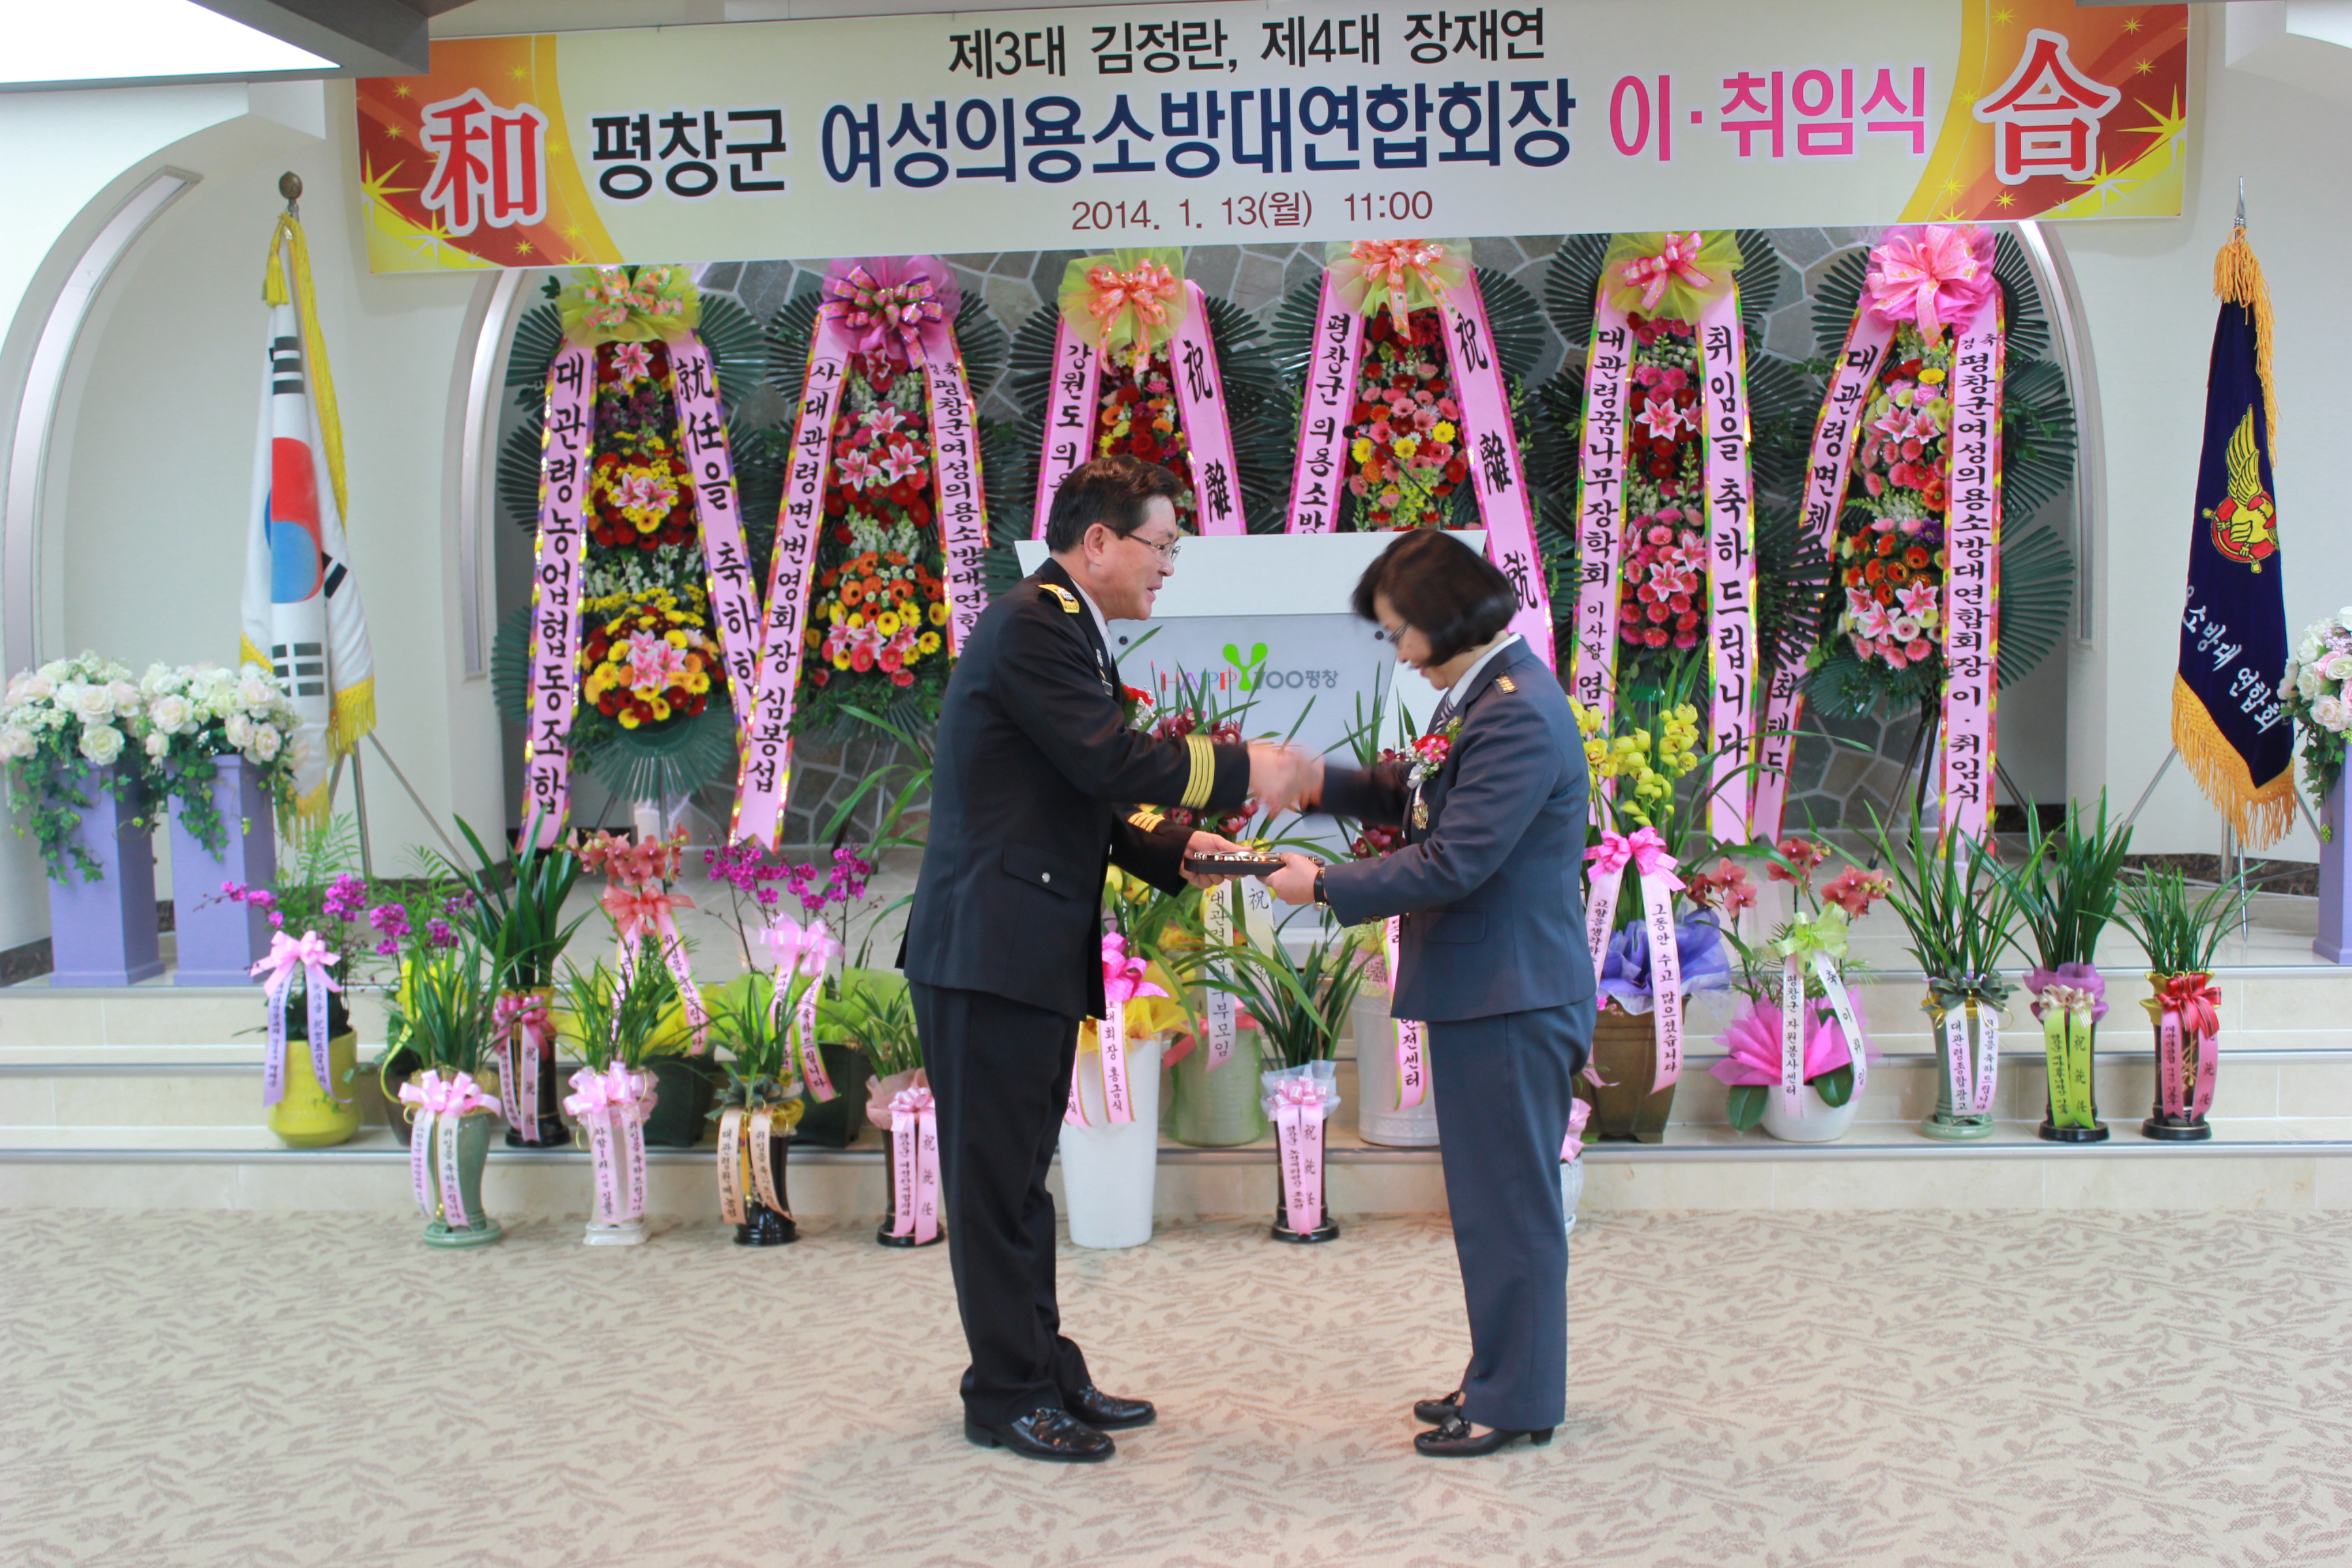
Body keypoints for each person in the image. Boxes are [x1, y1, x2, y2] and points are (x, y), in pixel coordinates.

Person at [904, 454, 1317, 1465]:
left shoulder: (1065, 628)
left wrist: (1194, 851)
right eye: (1161, 545)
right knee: (996, 1187)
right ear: (1097, 542)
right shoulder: (1034, 624)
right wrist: (1246, 768)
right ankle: (1005, 1392)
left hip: (1022, 949)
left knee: (1018, 1182)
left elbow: (1085, 793)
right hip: (989, 952)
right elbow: (1106, 760)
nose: (1169, 565)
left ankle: (1042, 1367)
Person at [1263, 529, 1595, 1458]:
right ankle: (1501, 1379)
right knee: (1491, 1207)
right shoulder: (1488, 693)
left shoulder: (1516, 712)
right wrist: (1314, 783)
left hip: (1510, 997)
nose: (1399, 650)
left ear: (1446, 618)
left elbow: (1457, 858)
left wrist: (1323, 887)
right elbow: (1418, 793)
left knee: (1509, 1210)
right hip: (1492, 989)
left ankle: (1516, 1401)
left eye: (1400, 629)